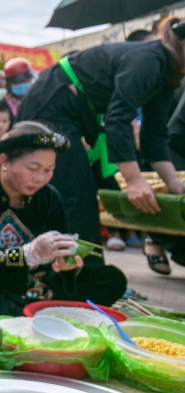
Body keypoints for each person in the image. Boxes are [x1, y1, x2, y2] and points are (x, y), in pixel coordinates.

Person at [18, 17, 185, 248]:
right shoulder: (150, 59)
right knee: (75, 193)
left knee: (82, 195)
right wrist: (134, 180)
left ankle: (87, 274)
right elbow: (118, 118)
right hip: (52, 103)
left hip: (75, 114)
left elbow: (154, 132)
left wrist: (174, 184)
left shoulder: (169, 73)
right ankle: (74, 274)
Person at [0, 122, 127, 316]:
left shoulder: (49, 197)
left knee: (112, 279)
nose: (40, 178)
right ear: (5, 160)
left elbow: (55, 264)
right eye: (33, 168)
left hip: (36, 284)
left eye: (48, 170)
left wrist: (65, 265)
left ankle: (31, 308)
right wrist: (25, 254)